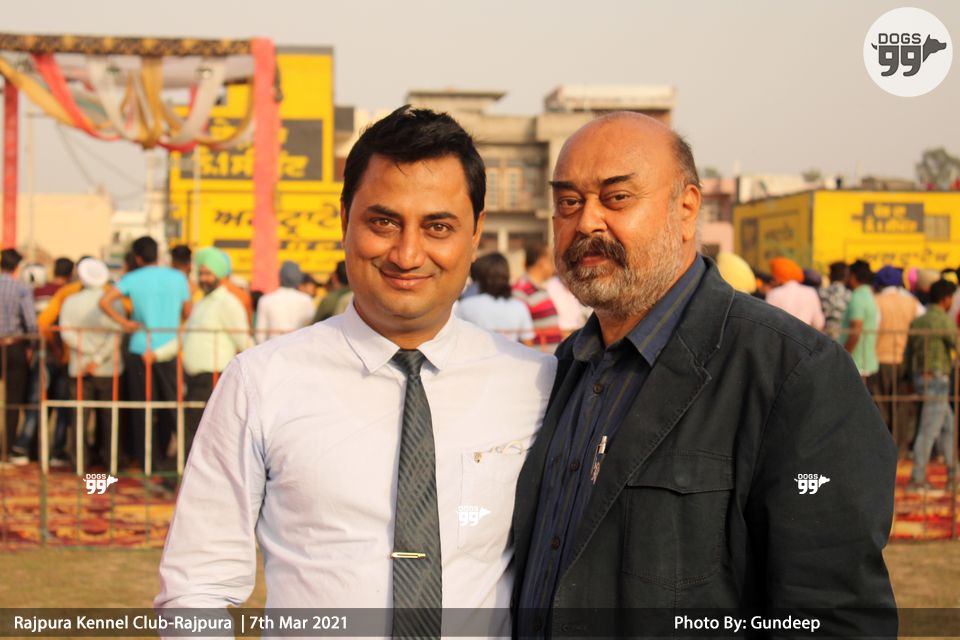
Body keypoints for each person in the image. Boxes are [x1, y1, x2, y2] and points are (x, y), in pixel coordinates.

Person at [156, 106, 556, 636]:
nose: (407, 254)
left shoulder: (536, 384)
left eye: (437, 226)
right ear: (345, 219)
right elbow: (196, 584)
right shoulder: (261, 382)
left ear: (476, 233)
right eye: (383, 222)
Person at [511, 112, 896, 637]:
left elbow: (833, 616)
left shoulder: (791, 373)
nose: (586, 223)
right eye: (568, 202)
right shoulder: (562, 371)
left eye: (616, 198)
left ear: (687, 208)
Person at [147, 247, 252, 460]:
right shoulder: (201, 303)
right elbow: (184, 337)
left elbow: (245, 342)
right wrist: (156, 354)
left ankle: (189, 473)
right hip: (194, 379)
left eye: (208, 273)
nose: (203, 278)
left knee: (198, 430)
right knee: (193, 429)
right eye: (201, 273)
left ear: (220, 275)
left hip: (214, 376)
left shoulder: (228, 304)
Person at [99, 236, 191, 472]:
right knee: (171, 405)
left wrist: (125, 323)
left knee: (143, 407)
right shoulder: (178, 277)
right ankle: (181, 457)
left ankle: (148, 460)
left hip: (140, 347)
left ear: (138, 258)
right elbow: (187, 312)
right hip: (169, 347)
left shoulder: (132, 278)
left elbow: (104, 302)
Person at [59, 259, 125, 470]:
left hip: (80, 365)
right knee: (109, 416)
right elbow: (117, 334)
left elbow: (66, 332)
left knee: (80, 416)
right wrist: (97, 358)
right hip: (108, 367)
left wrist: (88, 354)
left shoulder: (70, 301)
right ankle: (111, 460)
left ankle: (79, 461)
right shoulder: (114, 302)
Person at [904, 279, 957, 490]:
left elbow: (908, 354)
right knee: (929, 430)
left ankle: (954, 476)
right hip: (937, 380)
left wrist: (907, 379)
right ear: (946, 299)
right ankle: (917, 478)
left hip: (920, 377)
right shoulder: (943, 321)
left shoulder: (919, 321)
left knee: (948, 427)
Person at [871, 265, 922, 454]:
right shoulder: (912, 302)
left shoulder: (876, 301)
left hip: (880, 359)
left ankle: (881, 449)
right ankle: (899, 449)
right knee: (902, 407)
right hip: (904, 361)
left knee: (880, 405)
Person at [0, 249, 36, 461]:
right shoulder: (21, 288)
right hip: (13, 346)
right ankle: (6, 448)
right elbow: (31, 323)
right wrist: (30, 346)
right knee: (13, 399)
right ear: (17, 266)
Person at [456, 252, 535, 344]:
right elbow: (528, 344)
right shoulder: (519, 307)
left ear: (480, 278)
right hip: (509, 353)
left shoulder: (466, 305)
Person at [513, 240, 562, 351]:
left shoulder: (541, 288)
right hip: (535, 357)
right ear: (542, 261)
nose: (554, 264)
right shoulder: (521, 290)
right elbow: (520, 332)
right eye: (551, 259)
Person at [253, 260, 315, 342]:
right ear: (299, 278)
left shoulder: (265, 300)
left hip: (273, 348)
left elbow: (260, 336)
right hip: (298, 347)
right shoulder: (306, 300)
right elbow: (310, 331)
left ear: (280, 276)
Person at [840, 259, 880, 381]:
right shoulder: (869, 295)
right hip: (864, 360)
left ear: (853, 277)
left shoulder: (858, 298)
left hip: (856, 362)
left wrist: (843, 356)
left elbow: (855, 331)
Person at [764, 256, 825, 329]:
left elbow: (767, 323)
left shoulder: (773, 294)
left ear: (777, 277)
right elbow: (819, 324)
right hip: (804, 335)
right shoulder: (810, 292)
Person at [820, 260, 851, 339]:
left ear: (831, 275)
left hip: (824, 337)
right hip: (842, 338)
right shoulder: (850, 295)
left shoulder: (822, 293)